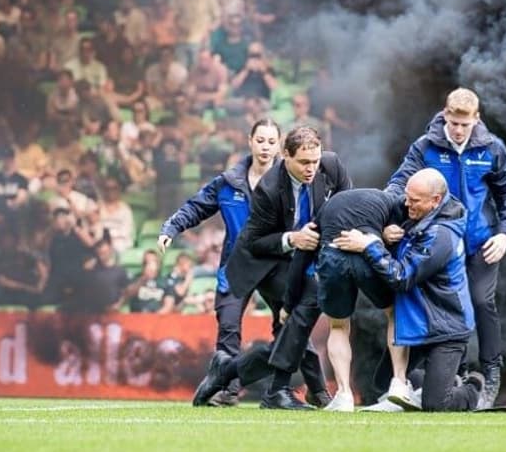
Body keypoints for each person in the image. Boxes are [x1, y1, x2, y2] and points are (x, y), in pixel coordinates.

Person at [385, 88, 506, 409]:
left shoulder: (492, 148)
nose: (458, 129)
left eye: (465, 124)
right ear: (445, 115)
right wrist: (386, 215)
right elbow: (399, 183)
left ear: (476, 119)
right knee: (443, 307)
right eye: (453, 122)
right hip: (439, 244)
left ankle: (490, 373)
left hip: (480, 244)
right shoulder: (425, 147)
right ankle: (456, 373)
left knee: (480, 301)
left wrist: (505, 234)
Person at [199, 126, 352, 410]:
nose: (311, 168)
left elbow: (346, 203)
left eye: (315, 161)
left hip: (300, 258)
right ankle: (285, 392)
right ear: (286, 156)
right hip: (263, 262)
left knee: (293, 325)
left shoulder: (331, 166)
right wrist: (292, 238)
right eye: (304, 163)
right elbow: (255, 242)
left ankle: (230, 372)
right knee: (302, 310)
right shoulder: (268, 189)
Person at [159, 119, 299, 406]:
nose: (265, 147)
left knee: (292, 325)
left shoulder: (291, 182)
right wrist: (170, 229)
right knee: (228, 328)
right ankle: (226, 391)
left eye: (272, 142)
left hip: (278, 264)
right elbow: (196, 206)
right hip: (237, 265)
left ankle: (289, 390)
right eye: (260, 140)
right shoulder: (229, 181)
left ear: (280, 146)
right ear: (250, 141)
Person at [331, 169, 484, 413]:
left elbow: (401, 277)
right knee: (383, 385)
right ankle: (438, 383)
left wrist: (369, 245)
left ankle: (473, 387)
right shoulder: (421, 217)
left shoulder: (441, 235)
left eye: (414, 200)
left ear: (435, 200)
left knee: (436, 404)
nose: (406, 204)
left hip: (446, 329)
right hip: (417, 323)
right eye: (407, 197)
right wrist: (385, 235)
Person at [306, 187, 413, 412]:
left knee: (338, 326)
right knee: (395, 312)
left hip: (332, 255)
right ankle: (399, 384)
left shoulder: (327, 207)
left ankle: (344, 394)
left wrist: (288, 302)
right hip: (367, 254)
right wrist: (383, 236)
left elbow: (306, 248)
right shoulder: (393, 205)